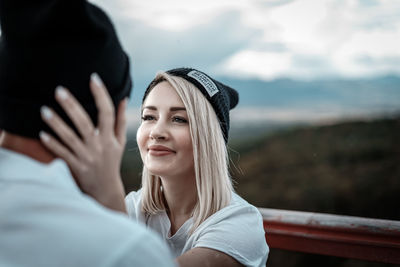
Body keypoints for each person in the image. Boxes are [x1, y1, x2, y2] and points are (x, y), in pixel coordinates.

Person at [0, 0, 175, 266]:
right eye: (149, 116)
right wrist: (113, 203)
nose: (158, 132)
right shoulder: (127, 250)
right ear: (112, 115)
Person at [40, 68, 270, 266]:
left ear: (209, 139)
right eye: (149, 117)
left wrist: (107, 188)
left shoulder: (239, 224)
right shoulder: (133, 208)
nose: (157, 132)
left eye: (179, 119)